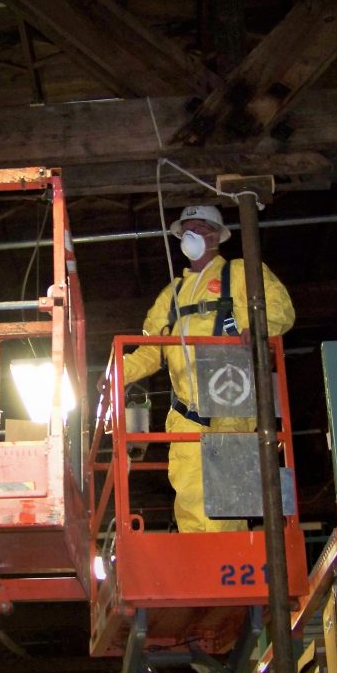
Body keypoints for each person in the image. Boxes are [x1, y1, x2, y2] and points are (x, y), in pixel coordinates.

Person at [115, 205, 295, 532]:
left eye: (198, 228)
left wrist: (257, 328)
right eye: (186, 229)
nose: (191, 235)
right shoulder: (172, 294)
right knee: (190, 500)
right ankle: (201, 561)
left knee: (227, 510)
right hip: (187, 414)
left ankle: (227, 558)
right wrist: (116, 374)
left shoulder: (241, 274)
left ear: (215, 235)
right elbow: (151, 350)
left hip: (231, 406)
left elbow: (280, 310)